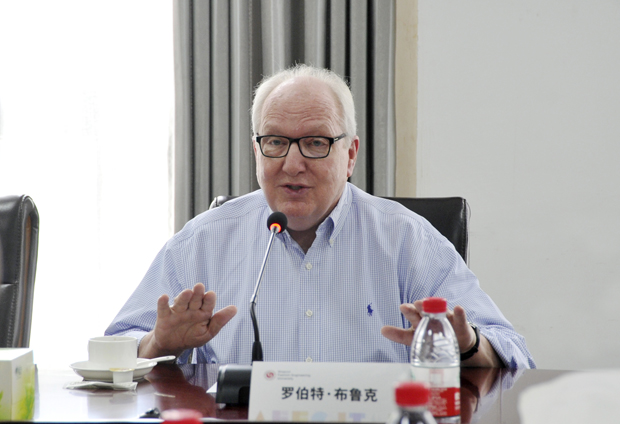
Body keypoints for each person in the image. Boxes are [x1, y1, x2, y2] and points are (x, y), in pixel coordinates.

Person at [106, 64, 535, 368]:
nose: (292, 164)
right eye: (276, 142)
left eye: (315, 143)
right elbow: (115, 349)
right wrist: (157, 344)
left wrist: (465, 345)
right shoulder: (203, 241)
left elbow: (514, 352)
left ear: (350, 155)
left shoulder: (407, 240)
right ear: (257, 150)